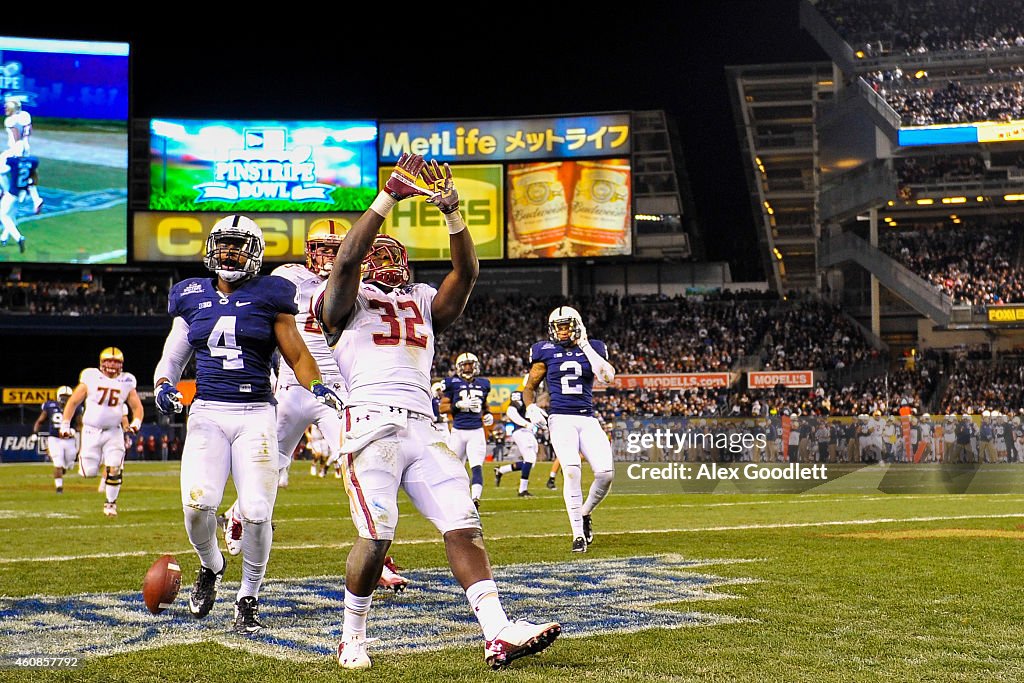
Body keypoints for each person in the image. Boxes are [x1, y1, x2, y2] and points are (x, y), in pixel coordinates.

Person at [315, 153, 559, 670]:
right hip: (371, 422)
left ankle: (497, 631)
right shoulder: (342, 300)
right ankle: (351, 636)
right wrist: (389, 198)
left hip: (424, 426)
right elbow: (344, 262)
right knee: (378, 533)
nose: (384, 259)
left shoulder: (423, 299)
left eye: (391, 253)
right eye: (374, 252)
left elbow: (466, 273)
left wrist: (452, 212)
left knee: (463, 524)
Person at [151, 214, 343, 635]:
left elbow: (296, 353)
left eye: (238, 246)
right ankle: (211, 565)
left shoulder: (272, 294)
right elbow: (172, 356)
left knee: (257, 511)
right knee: (196, 508)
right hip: (207, 413)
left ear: (255, 254)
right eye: (223, 245)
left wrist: (316, 384)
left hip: (256, 413)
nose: (229, 253)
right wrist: (163, 384)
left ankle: (248, 597)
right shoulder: (190, 294)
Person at [523, 305, 616, 553]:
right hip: (560, 418)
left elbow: (607, 377)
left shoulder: (593, 347)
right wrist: (530, 406)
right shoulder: (545, 351)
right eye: (558, 327)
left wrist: (584, 344)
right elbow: (529, 386)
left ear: (577, 326)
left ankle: (585, 513)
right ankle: (577, 535)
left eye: (566, 326)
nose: (562, 332)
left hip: (587, 418)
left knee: (606, 473)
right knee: (572, 469)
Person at [60, 347, 143, 516]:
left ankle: (110, 504)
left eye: (116, 361)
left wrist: (136, 422)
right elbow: (73, 402)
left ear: (121, 364)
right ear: (102, 363)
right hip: (91, 431)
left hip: (114, 432)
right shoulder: (90, 377)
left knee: (115, 468)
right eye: (109, 361)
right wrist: (65, 424)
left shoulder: (127, 381)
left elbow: (137, 406)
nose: (112, 365)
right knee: (88, 472)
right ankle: (99, 466)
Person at [439, 352, 492, 507]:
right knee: (453, 467)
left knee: (476, 466)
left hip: (476, 431)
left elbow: (485, 405)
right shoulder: (452, 383)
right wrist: (458, 405)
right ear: (459, 367)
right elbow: (442, 407)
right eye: (465, 365)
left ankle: (475, 499)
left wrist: (488, 414)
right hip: (458, 431)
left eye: (471, 364)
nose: (468, 368)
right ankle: (455, 497)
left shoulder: (484, 383)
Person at [33, 385, 80, 493]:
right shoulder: (50, 406)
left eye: (68, 397)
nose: (65, 399)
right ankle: (59, 488)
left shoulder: (76, 407)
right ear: (58, 396)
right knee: (58, 463)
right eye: (63, 396)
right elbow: (40, 421)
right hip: (54, 439)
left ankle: (63, 468)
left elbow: (80, 424)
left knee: (69, 465)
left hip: (69, 440)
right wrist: (35, 433)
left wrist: (75, 431)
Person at [494, 386, 539, 497]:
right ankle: (522, 490)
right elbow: (511, 411)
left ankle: (501, 470)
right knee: (529, 459)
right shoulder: (521, 395)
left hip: (528, 432)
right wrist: (525, 423)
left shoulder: (530, 398)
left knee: (530, 464)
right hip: (522, 430)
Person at [3, 98, 43, 213]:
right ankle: (36, 199)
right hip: (26, 147)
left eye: (7, 107)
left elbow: (16, 135)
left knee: (8, 170)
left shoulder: (10, 120)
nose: (5, 109)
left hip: (16, 148)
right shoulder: (25, 115)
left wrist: (17, 148)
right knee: (28, 174)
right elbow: (29, 131)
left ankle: (8, 191)